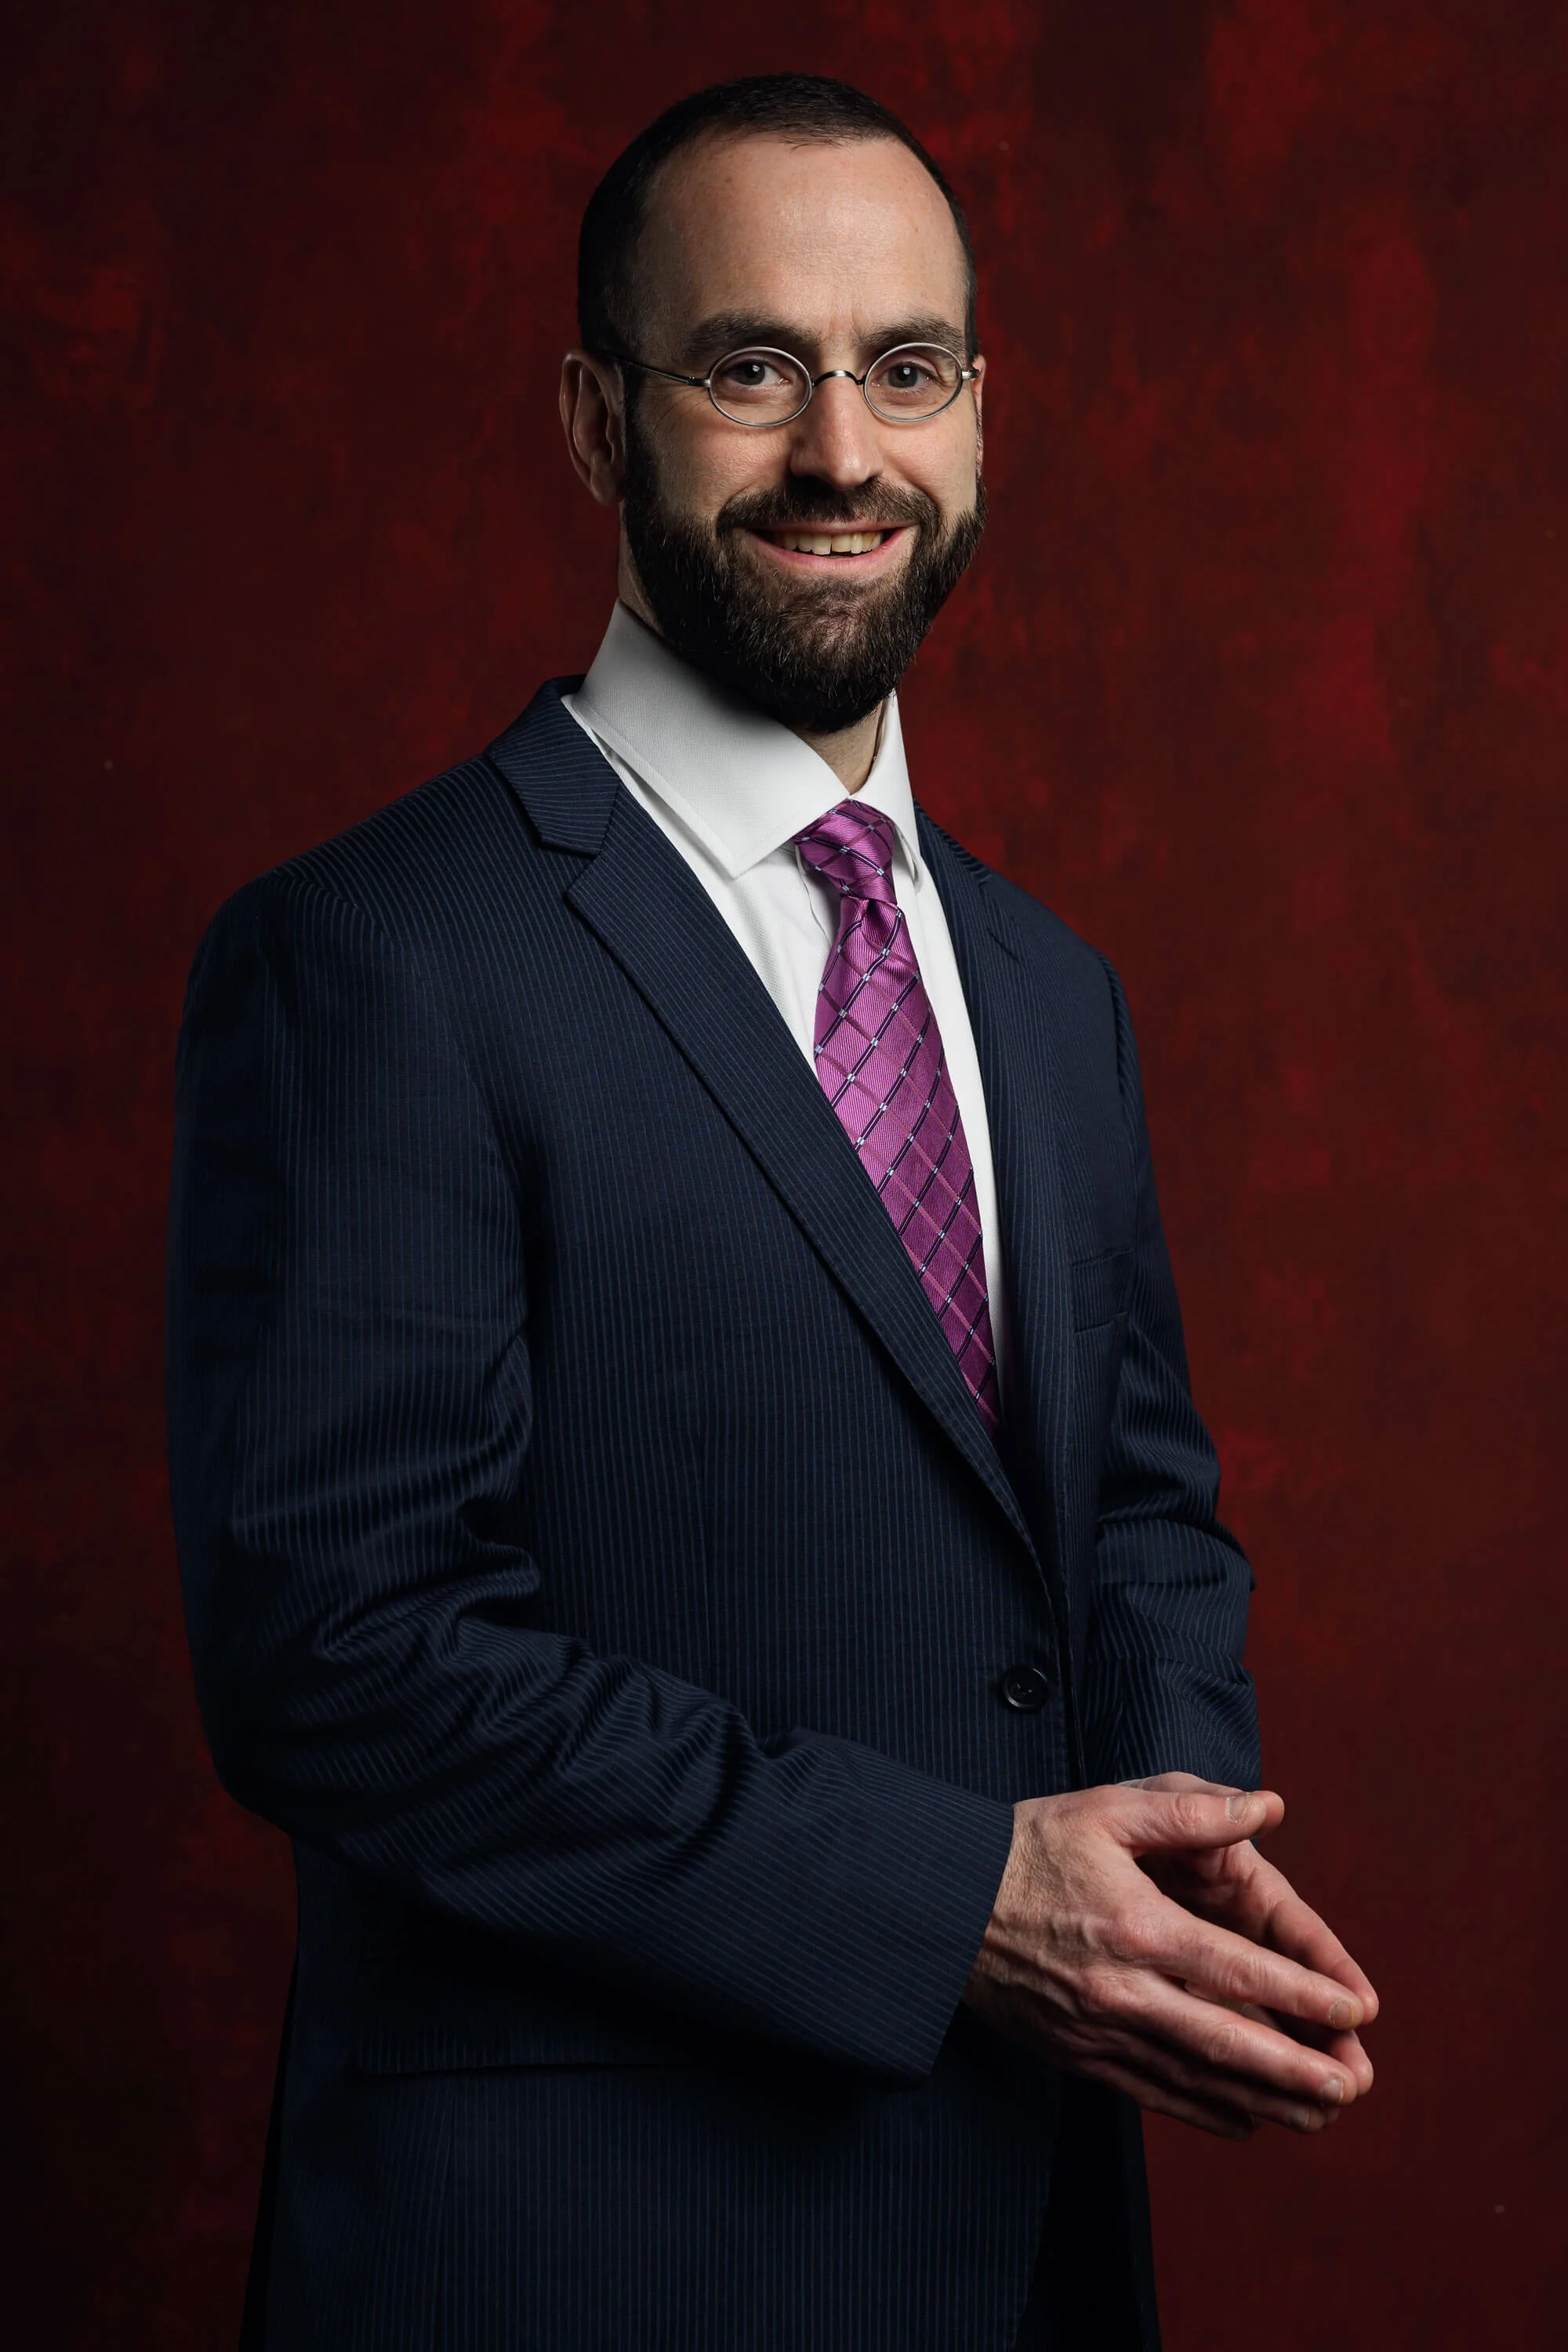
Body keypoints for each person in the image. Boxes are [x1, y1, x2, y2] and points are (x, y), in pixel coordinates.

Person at [167, 73, 1377, 2352]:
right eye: (752, 367)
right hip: (574, 2262)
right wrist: (963, 1900)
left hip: (1020, 2244)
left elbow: (1127, 1512)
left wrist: (1182, 1843)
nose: (844, 453)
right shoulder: (373, 956)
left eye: (905, 369)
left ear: (982, 415)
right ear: (594, 419)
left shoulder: (1047, 987)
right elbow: (338, 1657)